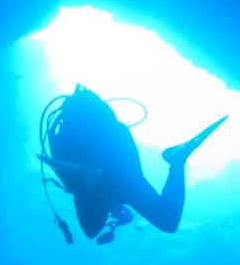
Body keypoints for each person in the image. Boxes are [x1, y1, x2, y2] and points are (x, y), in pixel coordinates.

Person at [39, 85, 226, 243]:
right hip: (123, 174)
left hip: (111, 179)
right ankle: (176, 161)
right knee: (167, 221)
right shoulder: (103, 130)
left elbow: (90, 227)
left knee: (92, 229)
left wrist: (90, 183)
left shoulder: (66, 138)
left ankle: (176, 162)